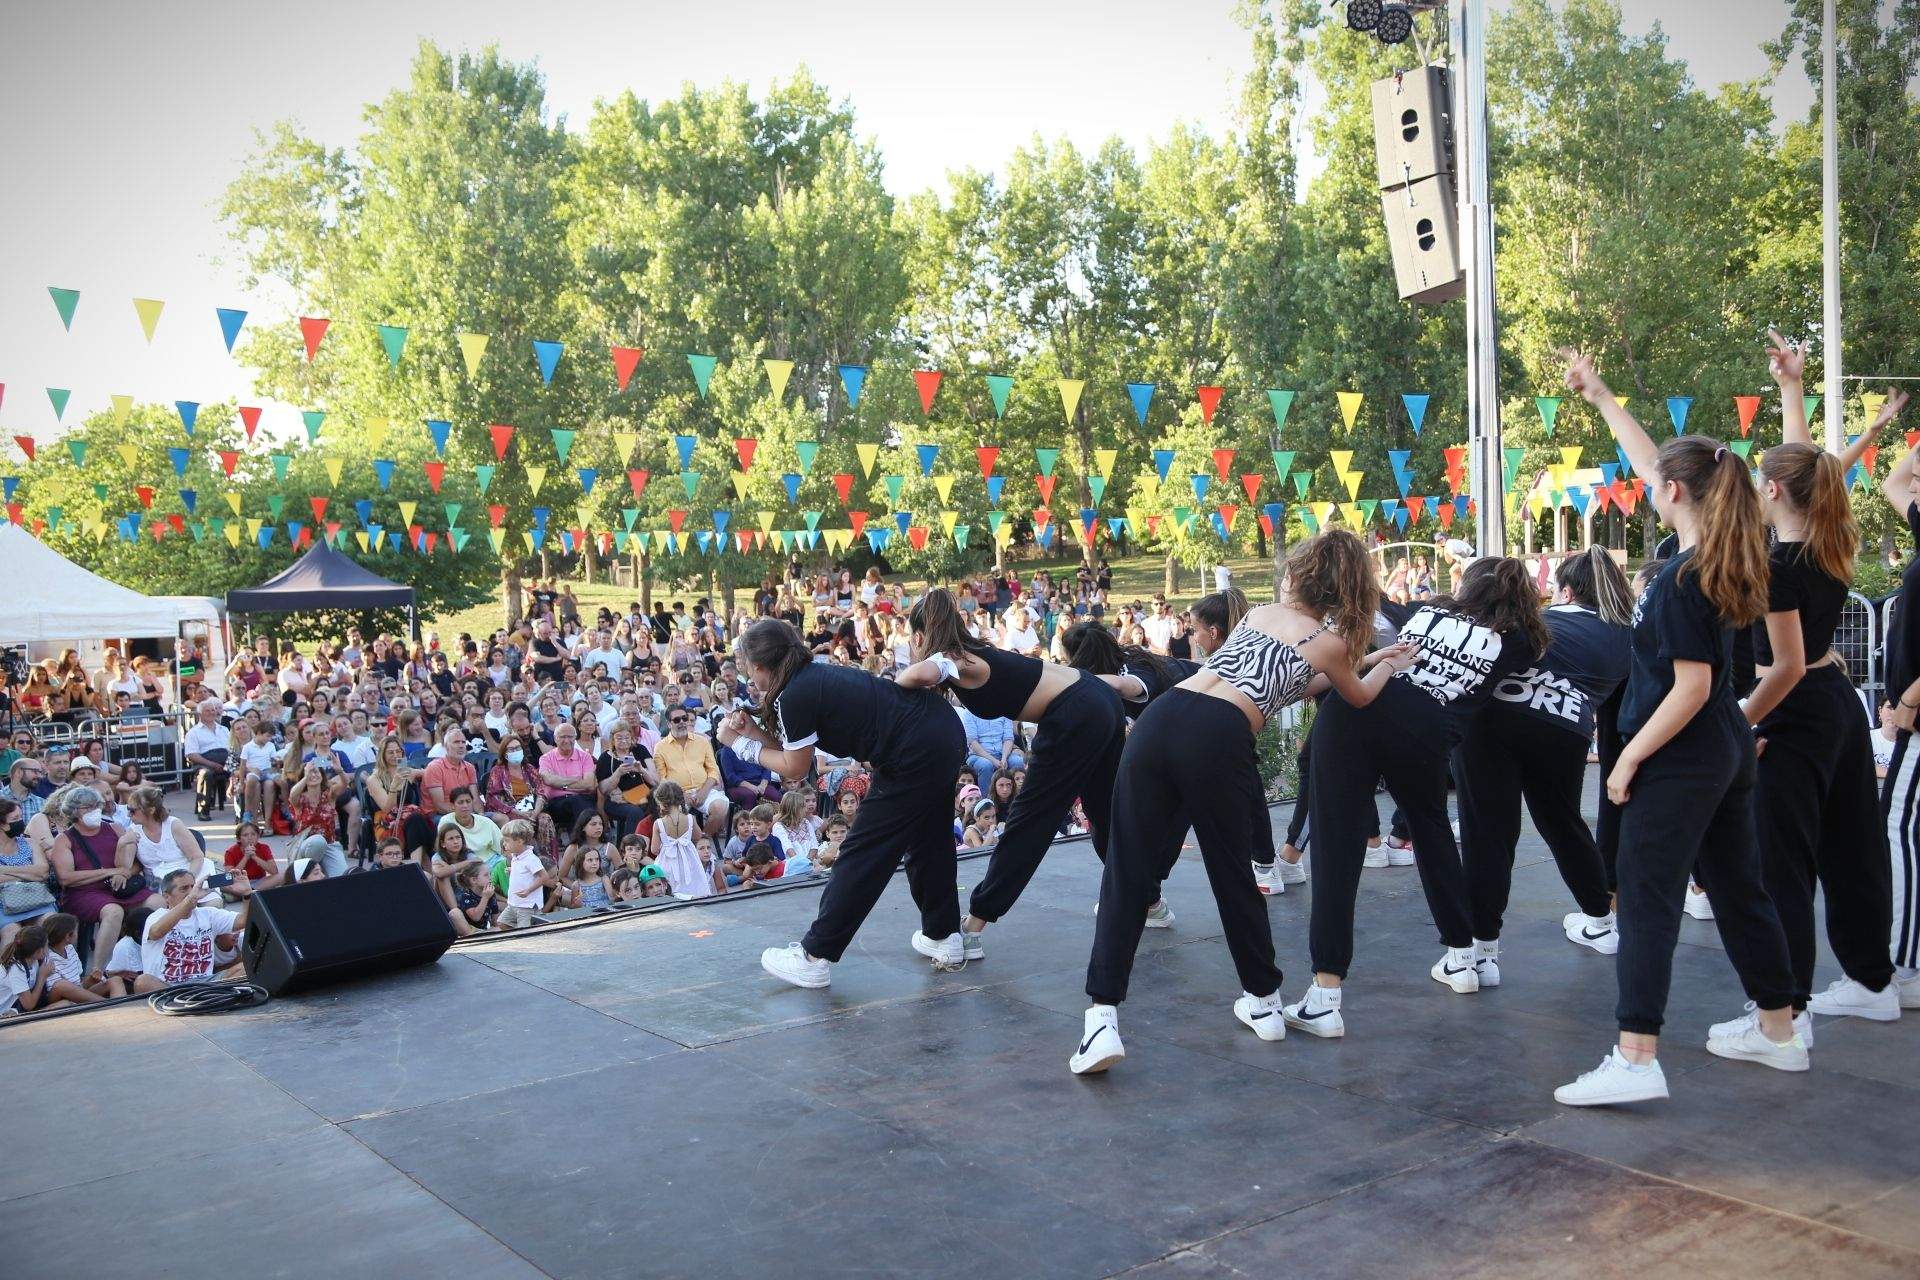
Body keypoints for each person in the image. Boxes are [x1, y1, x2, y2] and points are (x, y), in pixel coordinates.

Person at [1552, 352, 1804, 1107]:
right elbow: (1659, 462)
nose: (1647, 483)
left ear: (1672, 495)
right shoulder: (1723, 555)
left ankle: (1636, 1057)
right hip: (1724, 749)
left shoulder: (1680, 578)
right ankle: (1778, 1030)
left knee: (1650, 897)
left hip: (1685, 751)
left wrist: (1627, 758)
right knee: (1739, 889)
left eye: (1657, 482)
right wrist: (1599, 396)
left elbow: (1689, 687)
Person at [1073, 530, 1419, 1074]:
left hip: (1162, 719)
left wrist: (1371, 657)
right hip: (1219, 733)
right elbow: (1356, 691)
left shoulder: (1259, 614)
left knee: (1127, 871)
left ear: (1300, 576)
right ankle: (1263, 1001)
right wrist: (1388, 663)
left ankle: (1101, 1021)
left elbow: (1288, 679)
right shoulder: (1330, 643)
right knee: (1233, 872)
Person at [1283, 554, 1547, 1039]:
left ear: (1468, 586)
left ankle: (1325, 995)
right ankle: (1463, 957)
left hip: (1358, 713)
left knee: (1337, 849)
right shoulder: (1523, 641)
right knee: (1432, 833)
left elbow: (1387, 644)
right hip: (1427, 728)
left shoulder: (1430, 610)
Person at [720, 619, 967, 987]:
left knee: (862, 854)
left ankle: (814, 956)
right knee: (930, 841)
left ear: (758, 667)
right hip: (939, 733)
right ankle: (944, 936)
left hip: (914, 751)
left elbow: (795, 766)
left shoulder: (795, 694)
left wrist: (739, 745)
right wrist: (751, 734)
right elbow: (792, 750)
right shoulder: (809, 678)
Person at [896, 588, 1128, 961]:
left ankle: (972, 928)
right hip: (1098, 700)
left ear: (921, 637)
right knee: (1105, 812)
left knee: (1030, 821)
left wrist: (895, 687)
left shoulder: (958, 660)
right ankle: (1148, 900)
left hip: (1077, 710)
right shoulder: (972, 653)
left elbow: (918, 673)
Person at [1453, 546, 1634, 967]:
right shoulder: (1627, 637)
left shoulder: (1541, 621)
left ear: (1566, 592)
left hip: (1494, 717)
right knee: (1564, 822)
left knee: (1489, 831)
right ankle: (1600, 921)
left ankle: (1480, 952)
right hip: (1565, 728)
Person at [138, 864, 252, 990]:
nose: (191, 891)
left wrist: (247, 894)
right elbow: (156, 932)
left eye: (193, 887)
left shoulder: (208, 914)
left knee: (246, 968)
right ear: (166, 896)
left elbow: (244, 920)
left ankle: (202, 1000)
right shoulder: (157, 916)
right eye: (184, 888)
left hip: (205, 984)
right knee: (142, 982)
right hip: (167, 987)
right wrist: (189, 900)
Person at [654, 706, 730, 839]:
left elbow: (713, 770)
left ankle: (701, 841)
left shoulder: (702, 741)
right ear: (669, 723)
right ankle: (686, 846)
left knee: (720, 807)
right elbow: (663, 779)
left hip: (704, 790)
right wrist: (682, 794)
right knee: (674, 818)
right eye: (677, 720)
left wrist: (703, 792)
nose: (682, 722)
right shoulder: (660, 747)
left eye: (685, 718)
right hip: (677, 794)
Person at [651, 781, 722, 898]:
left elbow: (654, 849)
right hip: (689, 857)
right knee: (693, 884)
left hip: (668, 859)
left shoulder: (659, 823)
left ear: (661, 802)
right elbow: (698, 836)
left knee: (670, 887)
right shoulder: (690, 818)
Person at [497, 819, 552, 929]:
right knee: (502, 923)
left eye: (507, 841)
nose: (504, 844)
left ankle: (527, 942)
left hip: (526, 905)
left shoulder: (531, 859)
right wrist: (513, 870)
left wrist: (528, 890)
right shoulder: (515, 856)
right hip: (514, 902)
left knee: (525, 931)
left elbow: (544, 876)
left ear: (519, 841)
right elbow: (524, 872)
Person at [182, 698, 231, 820]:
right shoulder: (193, 733)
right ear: (200, 714)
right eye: (207, 710)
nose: (211, 713)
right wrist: (212, 764)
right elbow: (191, 754)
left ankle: (246, 811)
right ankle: (203, 810)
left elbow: (232, 749)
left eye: (213, 710)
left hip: (227, 762)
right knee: (206, 774)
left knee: (244, 771)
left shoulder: (224, 730)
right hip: (204, 763)